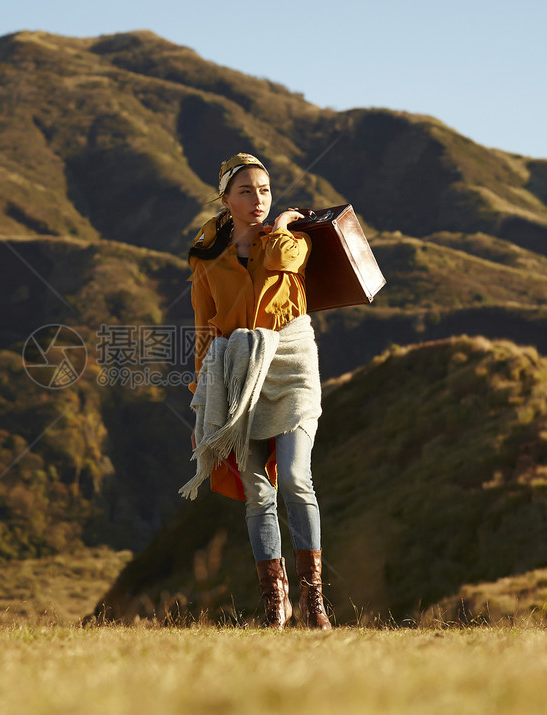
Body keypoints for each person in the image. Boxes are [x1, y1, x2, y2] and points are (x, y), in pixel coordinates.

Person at [180, 152, 331, 630]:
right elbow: (205, 328)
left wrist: (285, 221)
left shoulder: (290, 241)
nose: (259, 200)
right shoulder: (207, 256)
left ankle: (313, 601)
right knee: (257, 492)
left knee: (294, 476)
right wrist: (204, 406)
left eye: (265, 190)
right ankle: (275, 606)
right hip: (236, 376)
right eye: (246, 191)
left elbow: (283, 260)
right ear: (225, 199)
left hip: (291, 367)